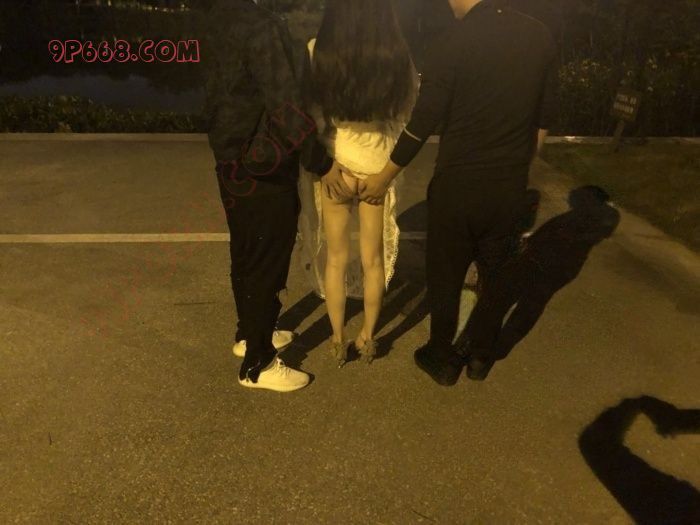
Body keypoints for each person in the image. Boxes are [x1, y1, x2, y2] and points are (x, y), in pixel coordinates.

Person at [360, 0, 558, 385]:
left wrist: (384, 176)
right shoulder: (540, 37)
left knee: (446, 273)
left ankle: (441, 355)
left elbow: (423, 121)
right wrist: (519, 169)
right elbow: (543, 121)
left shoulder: (451, 41)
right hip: (508, 185)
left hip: (458, 184)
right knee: (495, 273)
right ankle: (481, 355)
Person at [203, 0, 346, 392]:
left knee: (246, 251)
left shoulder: (214, 17)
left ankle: (250, 334)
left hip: (229, 157)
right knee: (267, 258)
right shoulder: (262, 26)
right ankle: (259, 363)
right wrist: (321, 162)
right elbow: (286, 105)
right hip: (262, 164)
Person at [297, 0, 418, 368]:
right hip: (376, 168)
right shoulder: (397, 53)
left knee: (335, 258)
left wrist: (326, 162)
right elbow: (406, 112)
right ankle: (367, 337)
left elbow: (311, 114)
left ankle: (337, 338)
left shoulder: (317, 49)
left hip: (336, 164)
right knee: (372, 260)